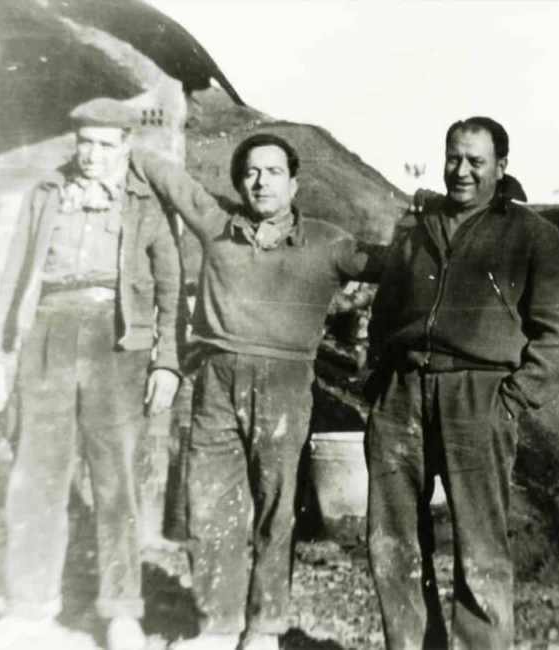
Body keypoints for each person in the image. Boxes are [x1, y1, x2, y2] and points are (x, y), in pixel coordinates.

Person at [132, 133, 386, 650]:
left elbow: (392, 264)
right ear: (239, 182)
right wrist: (126, 148)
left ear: (294, 183)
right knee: (210, 504)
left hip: (287, 385)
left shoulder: (328, 241)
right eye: (251, 172)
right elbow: (172, 180)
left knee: (278, 507)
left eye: (273, 172)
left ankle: (264, 629)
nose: (261, 180)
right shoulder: (216, 223)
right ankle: (217, 625)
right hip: (216, 382)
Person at [0, 98, 183, 650]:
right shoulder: (45, 194)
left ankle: (121, 612)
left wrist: (167, 362)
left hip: (119, 343)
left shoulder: (146, 203)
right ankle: (30, 608)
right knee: (33, 478)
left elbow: (169, 290)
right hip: (46, 333)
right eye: (84, 143)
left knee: (116, 483)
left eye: (105, 146)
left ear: (126, 147)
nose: (92, 156)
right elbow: (13, 275)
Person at [365, 116, 559, 649]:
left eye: (476, 162)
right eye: (453, 158)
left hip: (478, 400)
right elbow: (384, 313)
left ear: (501, 167)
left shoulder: (532, 235)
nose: (461, 172)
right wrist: (378, 383)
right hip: (402, 397)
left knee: (480, 547)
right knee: (391, 542)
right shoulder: (416, 231)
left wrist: (509, 400)